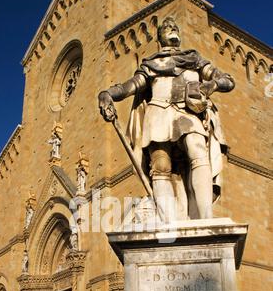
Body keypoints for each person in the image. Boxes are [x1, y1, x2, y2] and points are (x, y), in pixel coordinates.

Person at [98, 17, 235, 222]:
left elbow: (227, 81)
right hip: (158, 114)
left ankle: (205, 218)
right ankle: (167, 223)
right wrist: (107, 94)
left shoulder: (194, 59)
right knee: (160, 166)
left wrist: (211, 86)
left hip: (187, 113)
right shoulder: (151, 64)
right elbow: (130, 86)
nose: (172, 29)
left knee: (198, 151)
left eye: (174, 26)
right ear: (159, 38)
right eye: (167, 28)